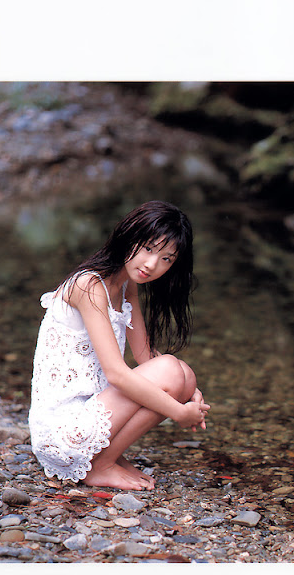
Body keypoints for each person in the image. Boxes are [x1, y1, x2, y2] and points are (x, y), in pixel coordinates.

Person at [28, 200, 210, 491]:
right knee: (171, 370)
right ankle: (100, 466)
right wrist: (178, 412)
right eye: (148, 248)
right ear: (129, 235)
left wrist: (191, 392)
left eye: (166, 259)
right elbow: (116, 373)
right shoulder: (88, 285)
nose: (151, 264)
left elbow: (146, 356)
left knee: (182, 373)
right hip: (61, 434)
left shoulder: (126, 284)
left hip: (90, 416)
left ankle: (105, 456)